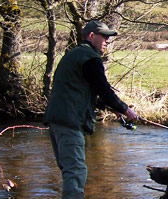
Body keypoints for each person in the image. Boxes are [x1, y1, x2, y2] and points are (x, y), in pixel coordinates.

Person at [44, 20, 138, 199]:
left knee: (69, 169)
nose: (108, 41)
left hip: (57, 120)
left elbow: (80, 92)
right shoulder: (90, 58)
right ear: (92, 36)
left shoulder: (73, 55)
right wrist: (125, 109)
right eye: (105, 36)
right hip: (70, 122)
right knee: (76, 171)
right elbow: (103, 89)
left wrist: (111, 109)